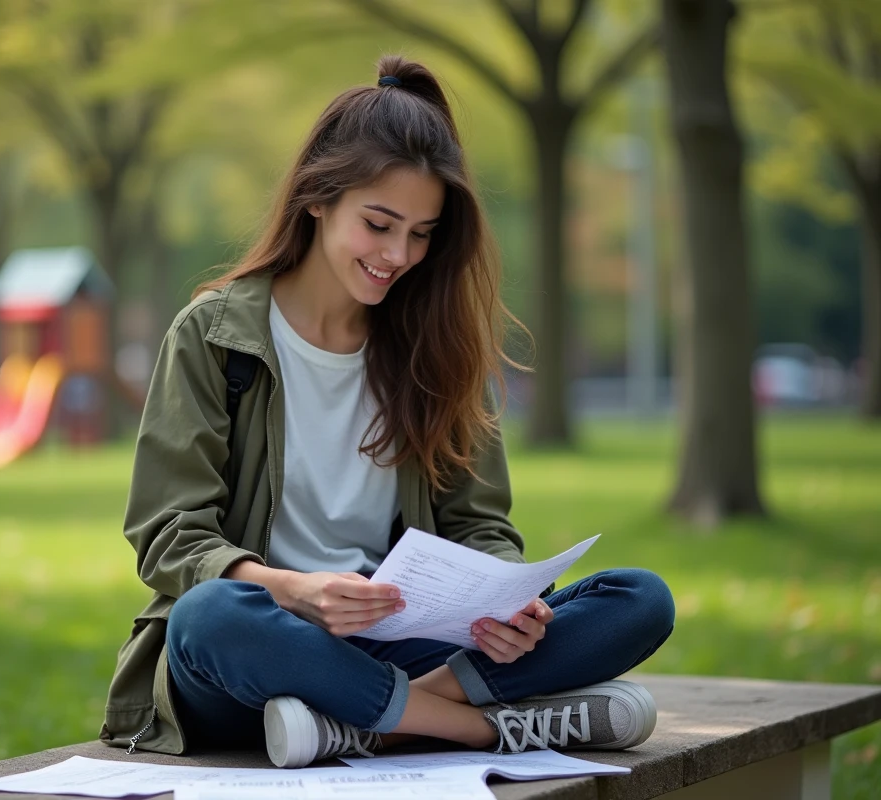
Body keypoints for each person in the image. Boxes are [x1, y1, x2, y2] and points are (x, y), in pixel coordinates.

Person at [100, 54, 675, 769]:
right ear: (318, 198)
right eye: (379, 224)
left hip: (402, 643)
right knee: (207, 617)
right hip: (265, 645)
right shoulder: (215, 336)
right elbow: (169, 536)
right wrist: (296, 591)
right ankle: (468, 724)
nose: (399, 254)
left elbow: (478, 524)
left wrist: (508, 604)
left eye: (422, 233)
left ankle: (370, 722)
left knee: (638, 599)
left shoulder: (435, 344)